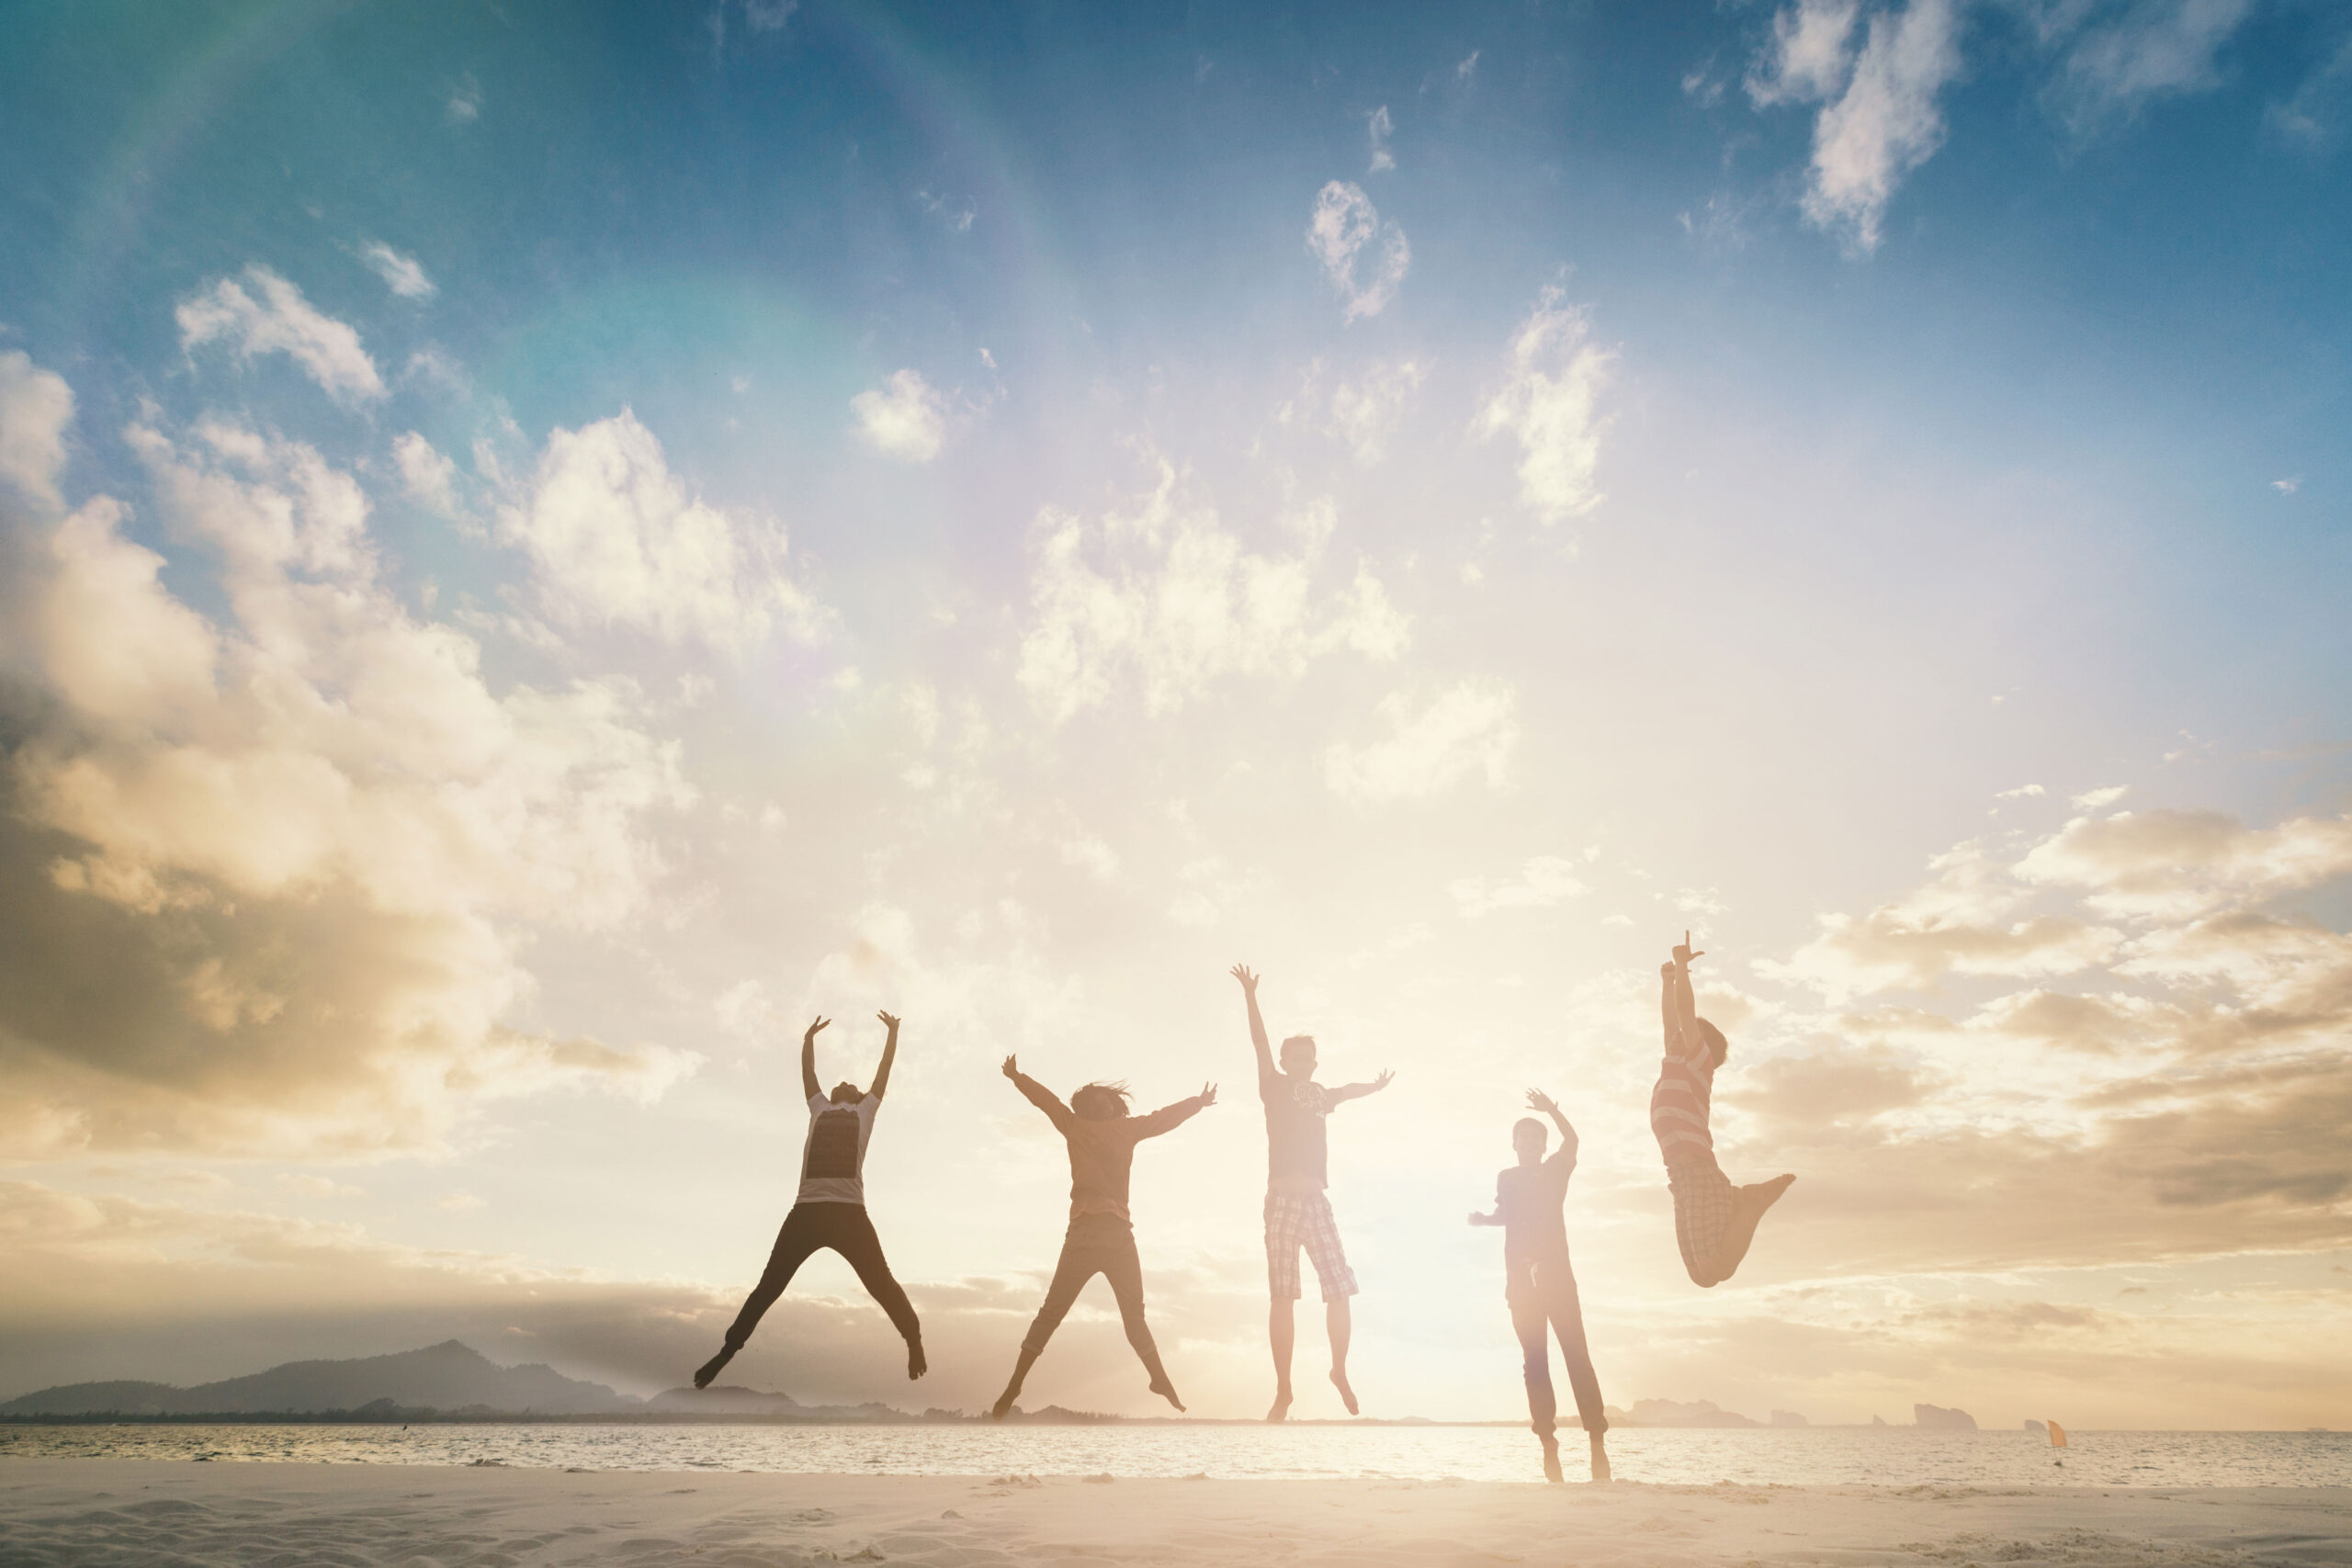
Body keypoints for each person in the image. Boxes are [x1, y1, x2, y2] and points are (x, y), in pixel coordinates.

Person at [695, 1012, 925, 1390]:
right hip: (807, 1212)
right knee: (769, 1287)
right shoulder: (818, 1107)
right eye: (843, 1082)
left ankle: (914, 1340)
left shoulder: (865, 1111)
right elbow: (808, 1076)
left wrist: (894, 1033)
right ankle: (727, 1352)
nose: (845, 1082)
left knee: (881, 1284)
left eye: (850, 1083)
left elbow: (884, 1070)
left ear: (856, 1097)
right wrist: (807, 1040)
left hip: (850, 1213)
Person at [989, 1058, 1217, 1419]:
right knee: (1051, 1314)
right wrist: (1018, 1078)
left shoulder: (1127, 1128)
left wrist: (1196, 1103)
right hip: (1085, 1233)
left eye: (1106, 1099)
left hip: (1116, 1237)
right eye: (1095, 1100)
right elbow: (1047, 1101)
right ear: (1084, 1108)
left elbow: (1163, 1118)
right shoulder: (1074, 1125)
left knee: (1132, 1317)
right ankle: (1016, 1383)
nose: (1103, 1103)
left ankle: (1159, 1379)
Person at [1230, 963, 1393, 1421]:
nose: (1301, 1063)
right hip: (1281, 1201)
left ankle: (1338, 1370)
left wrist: (1376, 1087)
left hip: (1317, 1201)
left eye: (1308, 1058)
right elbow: (1258, 1043)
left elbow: (1347, 1090)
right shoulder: (1274, 1086)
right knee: (1282, 1295)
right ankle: (1283, 1390)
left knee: (1339, 1287)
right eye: (1294, 1058)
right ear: (1285, 1063)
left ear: (1315, 1062)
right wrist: (1250, 996)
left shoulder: (1321, 1094)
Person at [1469, 1089, 1611, 1483]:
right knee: (1535, 1364)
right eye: (1523, 1137)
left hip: (1559, 1279)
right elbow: (1508, 1215)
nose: (1530, 1142)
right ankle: (1549, 1446)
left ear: (1544, 1145)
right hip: (1520, 1284)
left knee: (1577, 1358)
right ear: (1514, 1144)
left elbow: (1574, 1141)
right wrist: (1484, 1220)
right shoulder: (1506, 1178)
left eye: (1537, 1137)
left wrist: (1552, 1110)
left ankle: (1597, 1443)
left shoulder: (1554, 1171)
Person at [1654, 933, 1794, 1288]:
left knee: (1717, 1270)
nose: (1676, 1035)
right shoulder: (1674, 1060)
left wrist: (1683, 968)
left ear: (1702, 1046)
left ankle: (1752, 1204)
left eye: (1687, 1034)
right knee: (1700, 1276)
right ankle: (1736, 1198)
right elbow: (1671, 1020)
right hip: (1680, 1178)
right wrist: (1667, 983)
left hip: (1698, 1171)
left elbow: (1684, 1014)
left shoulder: (1698, 1064)